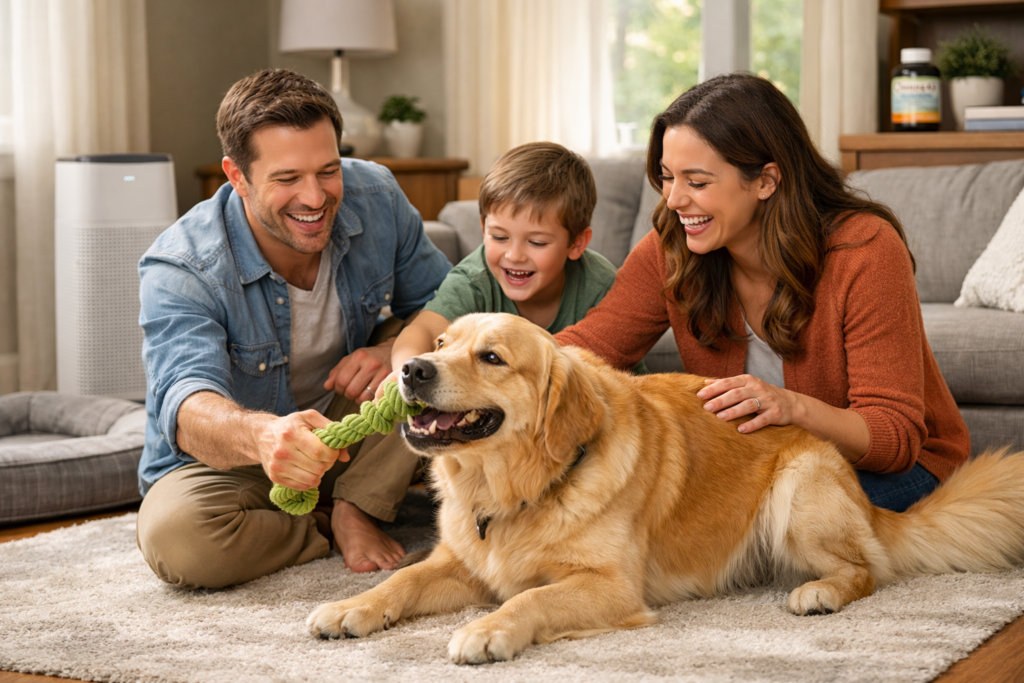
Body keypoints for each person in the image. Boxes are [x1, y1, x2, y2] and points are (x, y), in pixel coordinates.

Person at [555, 73, 970, 513]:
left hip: (895, 470)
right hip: (761, 461)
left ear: (766, 180)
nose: (674, 200)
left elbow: (893, 437)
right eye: (666, 177)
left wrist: (790, 407)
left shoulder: (865, 249)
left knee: (707, 520)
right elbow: (588, 348)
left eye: (696, 182)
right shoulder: (671, 244)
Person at [135, 69, 451, 589]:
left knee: (431, 358)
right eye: (287, 179)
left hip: (352, 423)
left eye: (328, 170)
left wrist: (395, 348)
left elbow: (453, 304)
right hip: (235, 455)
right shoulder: (182, 265)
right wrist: (264, 436)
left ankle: (354, 505)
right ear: (236, 176)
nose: (315, 197)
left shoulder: (377, 195)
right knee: (180, 539)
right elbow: (188, 404)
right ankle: (330, 520)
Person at [383, 141, 630, 385]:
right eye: (499, 237)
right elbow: (423, 329)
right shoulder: (474, 279)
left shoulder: (601, 284)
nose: (514, 255)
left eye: (536, 242)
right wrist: (403, 372)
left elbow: (623, 377)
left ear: (576, 243)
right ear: (483, 228)